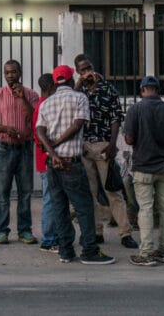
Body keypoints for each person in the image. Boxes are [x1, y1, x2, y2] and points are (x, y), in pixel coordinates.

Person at [36, 65, 114, 265]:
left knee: (59, 207)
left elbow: (40, 132)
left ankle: (65, 251)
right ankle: (89, 250)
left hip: (53, 163)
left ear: (54, 82)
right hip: (71, 162)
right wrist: (59, 143)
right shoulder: (80, 98)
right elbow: (77, 125)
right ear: (72, 80)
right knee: (84, 207)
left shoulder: (46, 103)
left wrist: (52, 151)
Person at [74, 54, 138, 250]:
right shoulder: (79, 92)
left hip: (103, 144)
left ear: (93, 67)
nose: (86, 72)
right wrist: (78, 85)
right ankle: (96, 232)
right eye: (82, 70)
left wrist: (112, 144)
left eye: (88, 68)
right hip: (84, 146)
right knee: (91, 192)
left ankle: (125, 233)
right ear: (78, 72)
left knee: (112, 190)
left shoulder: (108, 89)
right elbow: (70, 105)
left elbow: (116, 118)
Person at [122, 75, 164, 267]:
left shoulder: (135, 109)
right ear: (158, 90)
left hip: (143, 167)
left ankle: (146, 252)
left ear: (142, 91)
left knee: (145, 209)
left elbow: (129, 139)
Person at [0, 59, 40, 245]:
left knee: (25, 192)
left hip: (24, 148)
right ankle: (2, 231)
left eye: (14, 72)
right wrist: (5, 129)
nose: (10, 76)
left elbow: (36, 119)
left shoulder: (31, 95)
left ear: (20, 73)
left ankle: (24, 231)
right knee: (3, 192)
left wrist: (21, 98)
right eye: (7, 73)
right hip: (4, 149)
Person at [32, 73, 58, 253]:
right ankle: (48, 239)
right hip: (46, 159)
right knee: (50, 199)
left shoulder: (41, 105)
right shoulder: (44, 106)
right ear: (51, 88)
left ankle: (51, 236)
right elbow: (40, 137)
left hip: (44, 159)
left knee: (51, 198)